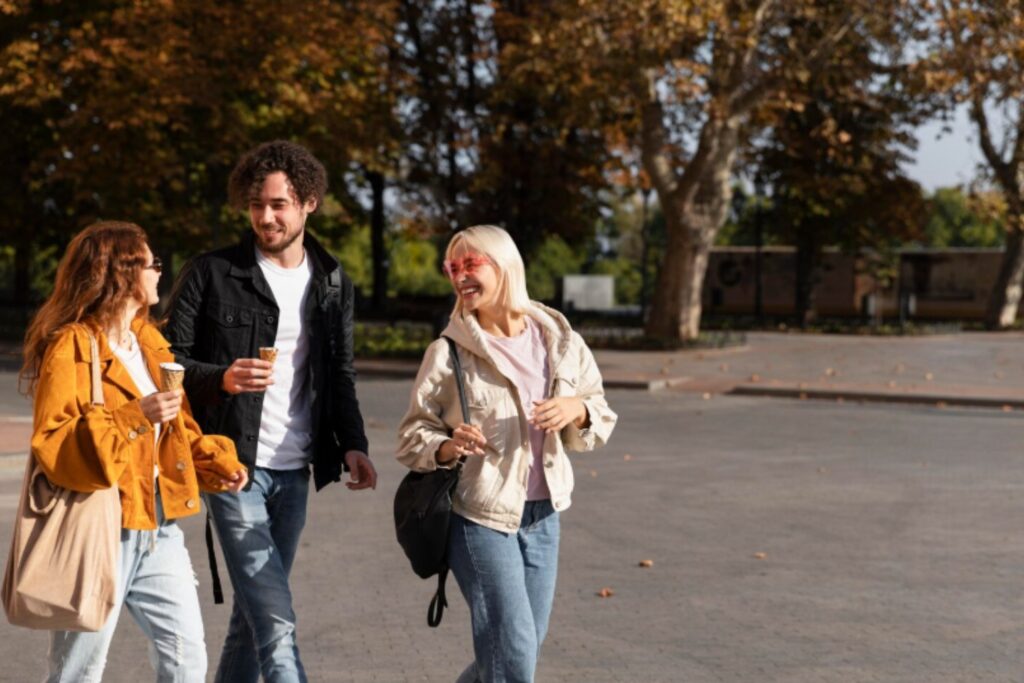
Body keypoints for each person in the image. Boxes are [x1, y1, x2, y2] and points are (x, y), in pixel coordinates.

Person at [164, 140, 377, 683]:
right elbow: (165, 363)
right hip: (231, 465)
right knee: (275, 616)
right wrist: (221, 378)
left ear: (308, 204)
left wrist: (353, 444)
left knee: (254, 613)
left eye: (279, 204)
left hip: (295, 468)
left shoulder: (332, 281)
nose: (265, 217)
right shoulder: (211, 272)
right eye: (256, 205)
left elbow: (340, 373)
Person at [20, 220, 249, 683]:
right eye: (151, 263)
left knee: (186, 660)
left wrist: (214, 461)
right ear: (121, 273)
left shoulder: (148, 341)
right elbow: (54, 441)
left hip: (158, 525)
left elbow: (177, 426)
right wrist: (133, 416)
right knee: (78, 671)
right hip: (98, 526)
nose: (160, 272)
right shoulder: (72, 346)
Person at [397, 225, 618, 683]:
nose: (459, 276)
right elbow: (412, 434)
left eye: (470, 264)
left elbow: (600, 413)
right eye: (452, 267)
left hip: (543, 516)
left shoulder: (559, 341)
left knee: (520, 648)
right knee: (514, 650)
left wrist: (576, 409)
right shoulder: (448, 353)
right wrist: (447, 446)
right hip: (480, 516)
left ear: (504, 265)